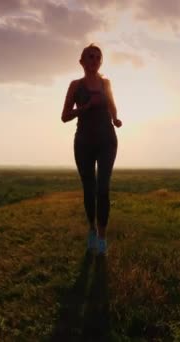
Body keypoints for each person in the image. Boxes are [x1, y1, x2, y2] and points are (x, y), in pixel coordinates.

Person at [61, 43, 122, 256]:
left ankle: (102, 240)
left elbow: (112, 105)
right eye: (90, 57)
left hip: (107, 140)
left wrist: (115, 118)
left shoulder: (106, 84)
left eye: (98, 57)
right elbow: (64, 116)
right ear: (82, 62)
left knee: (103, 188)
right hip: (84, 142)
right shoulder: (75, 86)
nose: (94, 60)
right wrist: (84, 108)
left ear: (100, 62)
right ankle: (92, 231)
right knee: (89, 188)